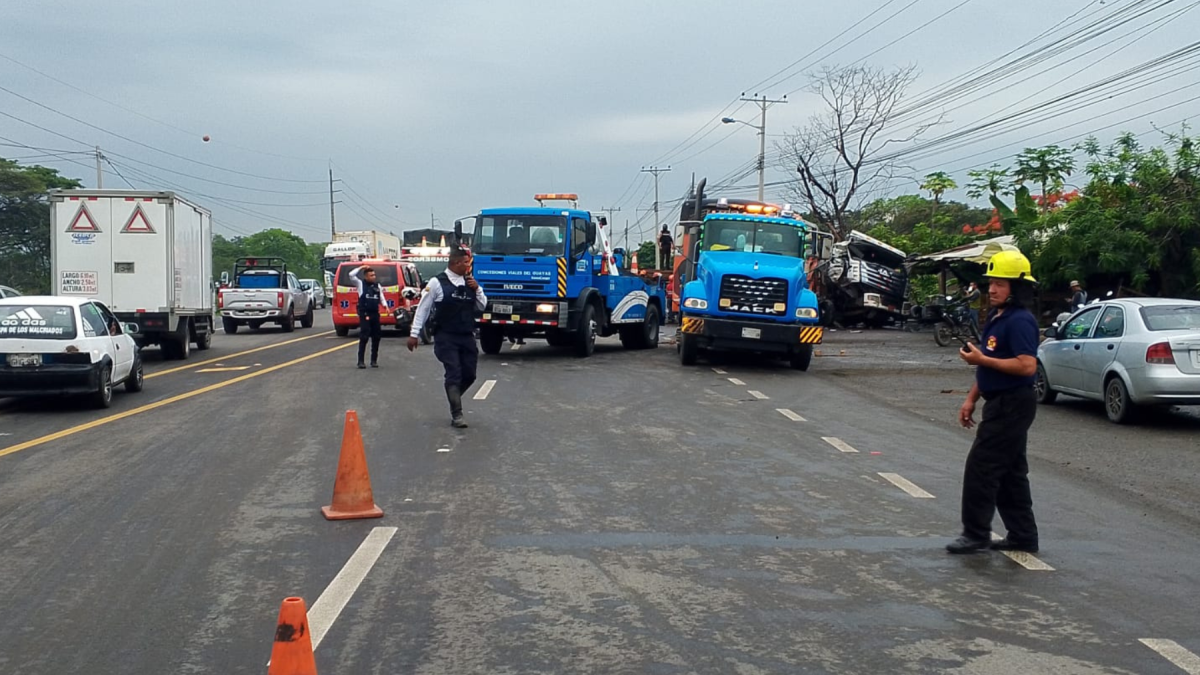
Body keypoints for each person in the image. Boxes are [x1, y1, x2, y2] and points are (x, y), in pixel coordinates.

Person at [947, 250, 1041, 555]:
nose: (992, 289)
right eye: (991, 283)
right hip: (998, 401)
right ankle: (1023, 535)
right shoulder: (998, 318)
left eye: (1001, 283)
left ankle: (975, 534)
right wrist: (971, 398)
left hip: (1013, 404)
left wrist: (981, 359)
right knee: (1011, 472)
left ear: (1017, 287)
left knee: (982, 468)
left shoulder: (1020, 321)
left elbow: (1027, 366)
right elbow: (989, 363)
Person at [407, 246, 487, 428]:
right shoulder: (437, 283)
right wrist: (414, 334)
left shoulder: (470, 282)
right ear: (456, 263)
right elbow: (423, 308)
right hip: (446, 336)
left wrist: (478, 289)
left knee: (470, 374)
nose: (469, 266)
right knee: (454, 372)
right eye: (466, 262)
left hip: (467, 335)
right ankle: (457, 414)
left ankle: (454, 396)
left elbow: (482, 306)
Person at [349, 264, 383, 369]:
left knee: (376, 337)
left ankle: (374, 360)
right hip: (365, 314)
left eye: (374, 275)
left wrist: (385, 305)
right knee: (364, 337)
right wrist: (361, 268)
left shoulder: (377, 286)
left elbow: (381, 297)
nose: (373, 277)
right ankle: (361, 361)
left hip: (375, 314)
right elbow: (351, 275)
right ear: (366, 277)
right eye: (371, 275)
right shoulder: (360, 284)